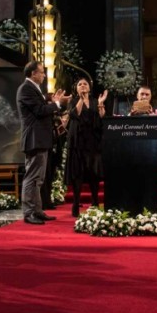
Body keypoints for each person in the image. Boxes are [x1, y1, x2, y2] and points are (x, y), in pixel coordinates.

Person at [16, 61, 71, 225]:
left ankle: (37, 211)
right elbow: (39, 111)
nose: (44, 75)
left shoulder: (34, 88)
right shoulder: (26, 89)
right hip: (34, 139)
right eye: (41, 72)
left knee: (38, 179)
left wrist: (55, 103)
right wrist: (57, 103)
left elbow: (43, 110)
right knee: (32, 177)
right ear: (33, 73)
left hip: (40, 139)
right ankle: (28, 213)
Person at [64, 77, 108, 217]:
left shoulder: (95, 101)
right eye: (80, 84)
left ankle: (95, 202)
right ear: (76, 88)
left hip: (93, 142)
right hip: (78, 142)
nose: (83, 86)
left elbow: (102, 117)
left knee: (94, 173)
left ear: (89, 87)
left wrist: (101, 104)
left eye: (85, 84)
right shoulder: (72, 101)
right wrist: (81, 99)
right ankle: (76, 203)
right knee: (78, 173)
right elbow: (74, 114)